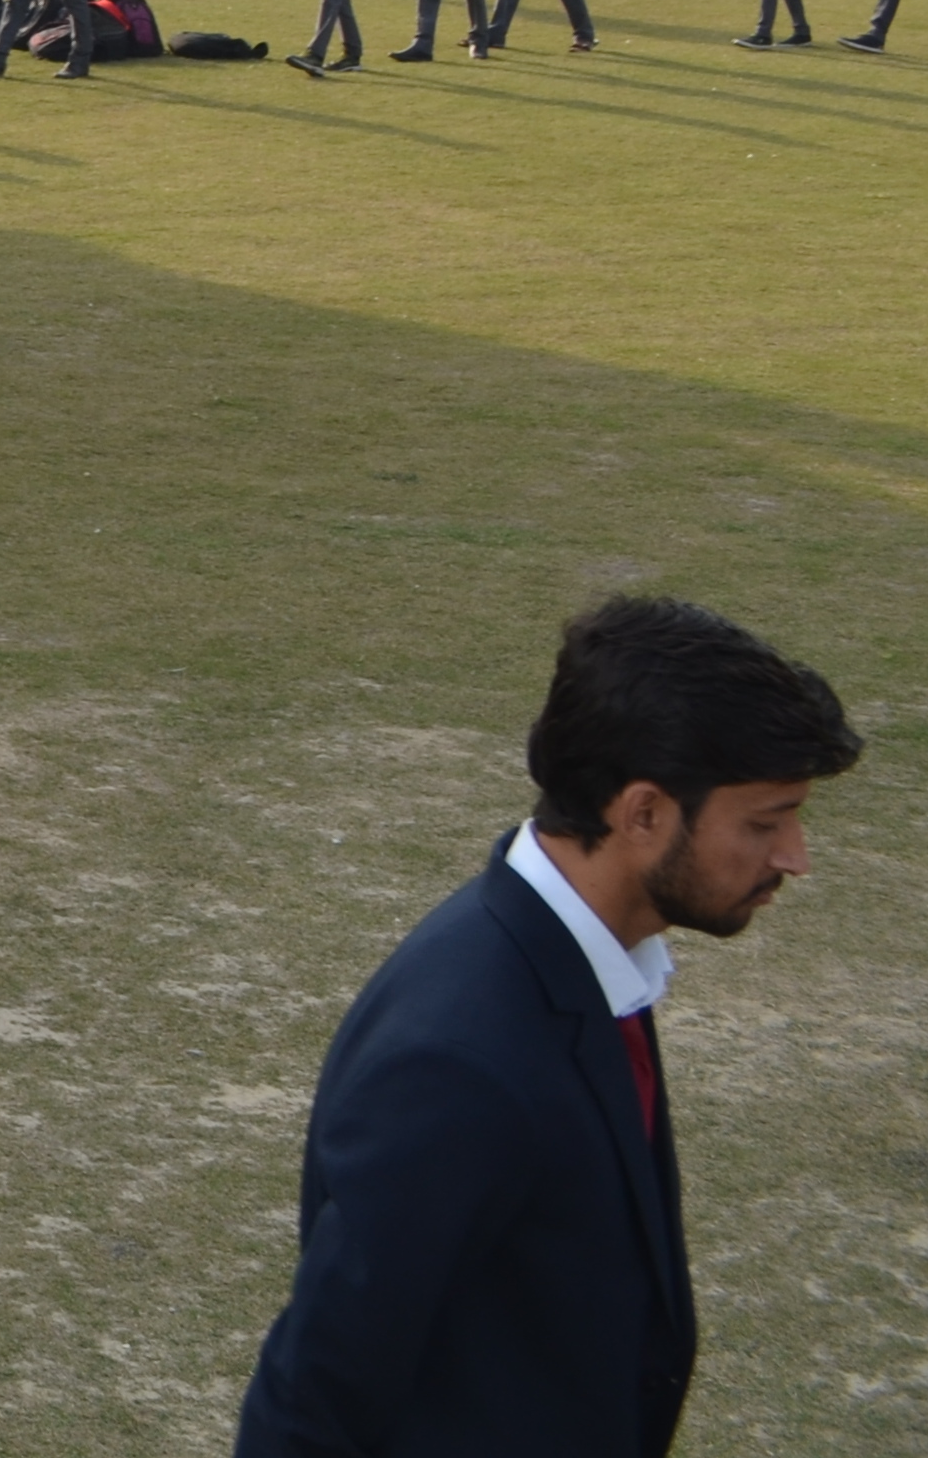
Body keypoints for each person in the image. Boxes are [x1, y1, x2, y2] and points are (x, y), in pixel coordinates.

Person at [233, 595, 862, 1458]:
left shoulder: (578, 964)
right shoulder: (460, 1060)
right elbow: (318, 1390)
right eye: (765, 821)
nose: (795, 855)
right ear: (643, 813)